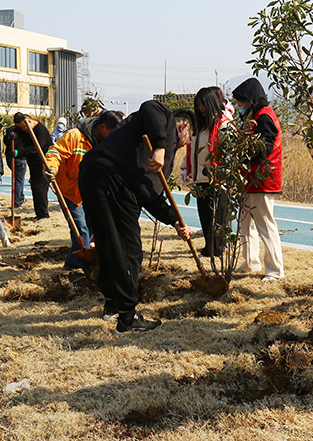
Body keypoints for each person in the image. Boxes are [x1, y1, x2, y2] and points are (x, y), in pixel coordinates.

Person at [79, 101, 194, 333]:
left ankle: (112, 304)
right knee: (128, 249)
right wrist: (160, 147)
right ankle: (127, 318)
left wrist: (174, 221)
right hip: (112, 178)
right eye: (189, 137)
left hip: (93, 173)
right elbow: (151, 107)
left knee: (108, 244)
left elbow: (149, 194)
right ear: (184, 128)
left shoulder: (144, 147)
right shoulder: (165, 123)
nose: (186, 143)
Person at [45, 110, 124, 269]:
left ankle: (73, 262)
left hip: (91, 192)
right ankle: (81, 266)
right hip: (70, 191)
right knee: (81, 230)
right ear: (102, 127)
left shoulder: (108, 143)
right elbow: (55, 152)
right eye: (111, 133)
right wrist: (51, 168)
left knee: (93, 227)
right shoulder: (74, 136)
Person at [231, 78, 285, 282]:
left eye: (241, 102)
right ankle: (250, 262)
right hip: (249, 179)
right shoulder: (254, 116)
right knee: (246, 223)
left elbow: (264, 148)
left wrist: (242, 157)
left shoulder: (264, 117)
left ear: (250, 99)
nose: (239, 106)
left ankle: (275, 269)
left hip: (262, 179)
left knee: (265, 224)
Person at [182, 87, 230, 260]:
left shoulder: (223, 123)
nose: (201, 109)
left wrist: (226, 171)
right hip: (200, 178)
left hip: (217, 178)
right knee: (204, 215)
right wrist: (186, 167)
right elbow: (191, 150)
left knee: (216, 217)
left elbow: (230, 150)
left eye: (203, 105)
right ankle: (209, 248)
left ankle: (217, 250)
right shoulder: (199, 126)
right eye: (198, 105)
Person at [4, 112, 53, 218]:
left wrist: (19, 152)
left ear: (30, 121)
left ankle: (43, 215)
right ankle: (39, 214)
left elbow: (37, 148)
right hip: (33, 163)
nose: (24, 130)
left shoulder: (41, 130)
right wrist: (12, 135)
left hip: (43, 162)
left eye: (25, 127)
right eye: (22, 128)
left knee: (40, 188)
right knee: (34, 187)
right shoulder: (23, 129)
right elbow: (14, 131)